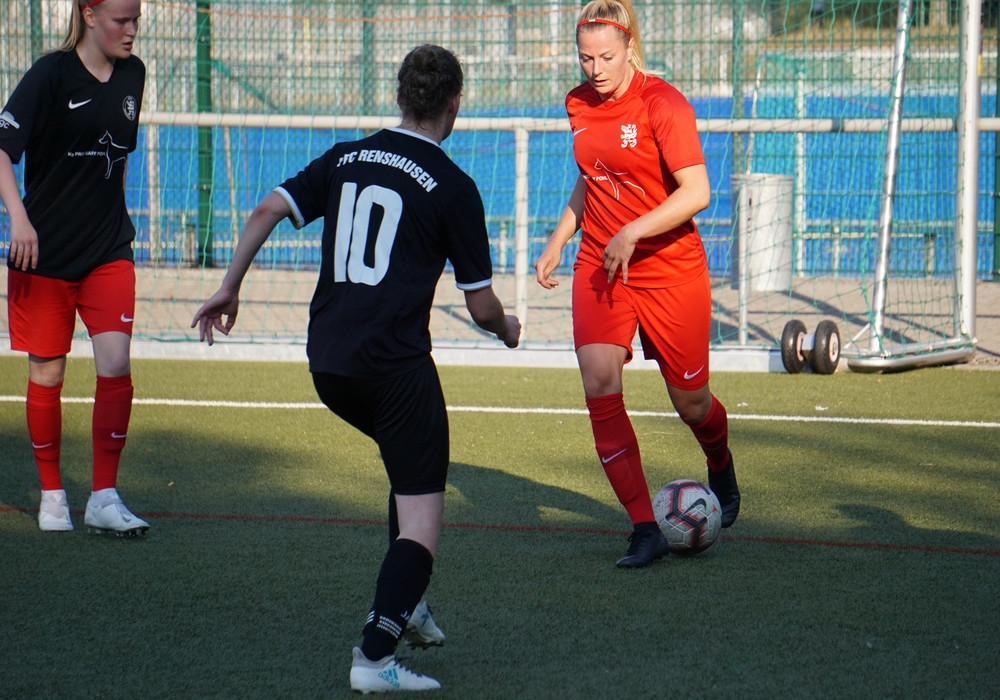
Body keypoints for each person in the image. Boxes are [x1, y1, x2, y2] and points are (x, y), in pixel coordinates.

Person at [192, 44, 521, 693]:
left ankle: (411, 604)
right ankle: (374, 658)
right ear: (454, 103)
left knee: (410, 472)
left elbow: (265, 209)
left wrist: (230, 286)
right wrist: (507, 328)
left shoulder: (346, 157)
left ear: (400, 96)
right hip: (394, 368)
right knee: (424, 515)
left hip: (329, 364)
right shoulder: (453, 186)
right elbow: (480, 305)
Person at [534, 0, 740, 569]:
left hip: (671, 268)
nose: (594, 69)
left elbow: (696, 191)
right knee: (599, 382)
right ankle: (643, 527)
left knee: (691, 401)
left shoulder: (663, 103)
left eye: (605, 56)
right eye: (585, 58)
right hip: (601, 266)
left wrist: (633, 231)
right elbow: (591, 176)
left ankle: (718, 461)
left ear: (630, 49)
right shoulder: (577, 102)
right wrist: (559, 237)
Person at [0, 0, 149, 536]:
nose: (131, 30)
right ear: (88, 15)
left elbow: (119, 159)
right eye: (121, 20)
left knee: (115, 364)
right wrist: (18, 218)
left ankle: (104, 497)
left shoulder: (135, 73)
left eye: (136, 19)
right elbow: (2, 146)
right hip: (43, 255)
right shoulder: (49, 73)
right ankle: (53, 494)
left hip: (109, 251)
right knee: (49, 373)